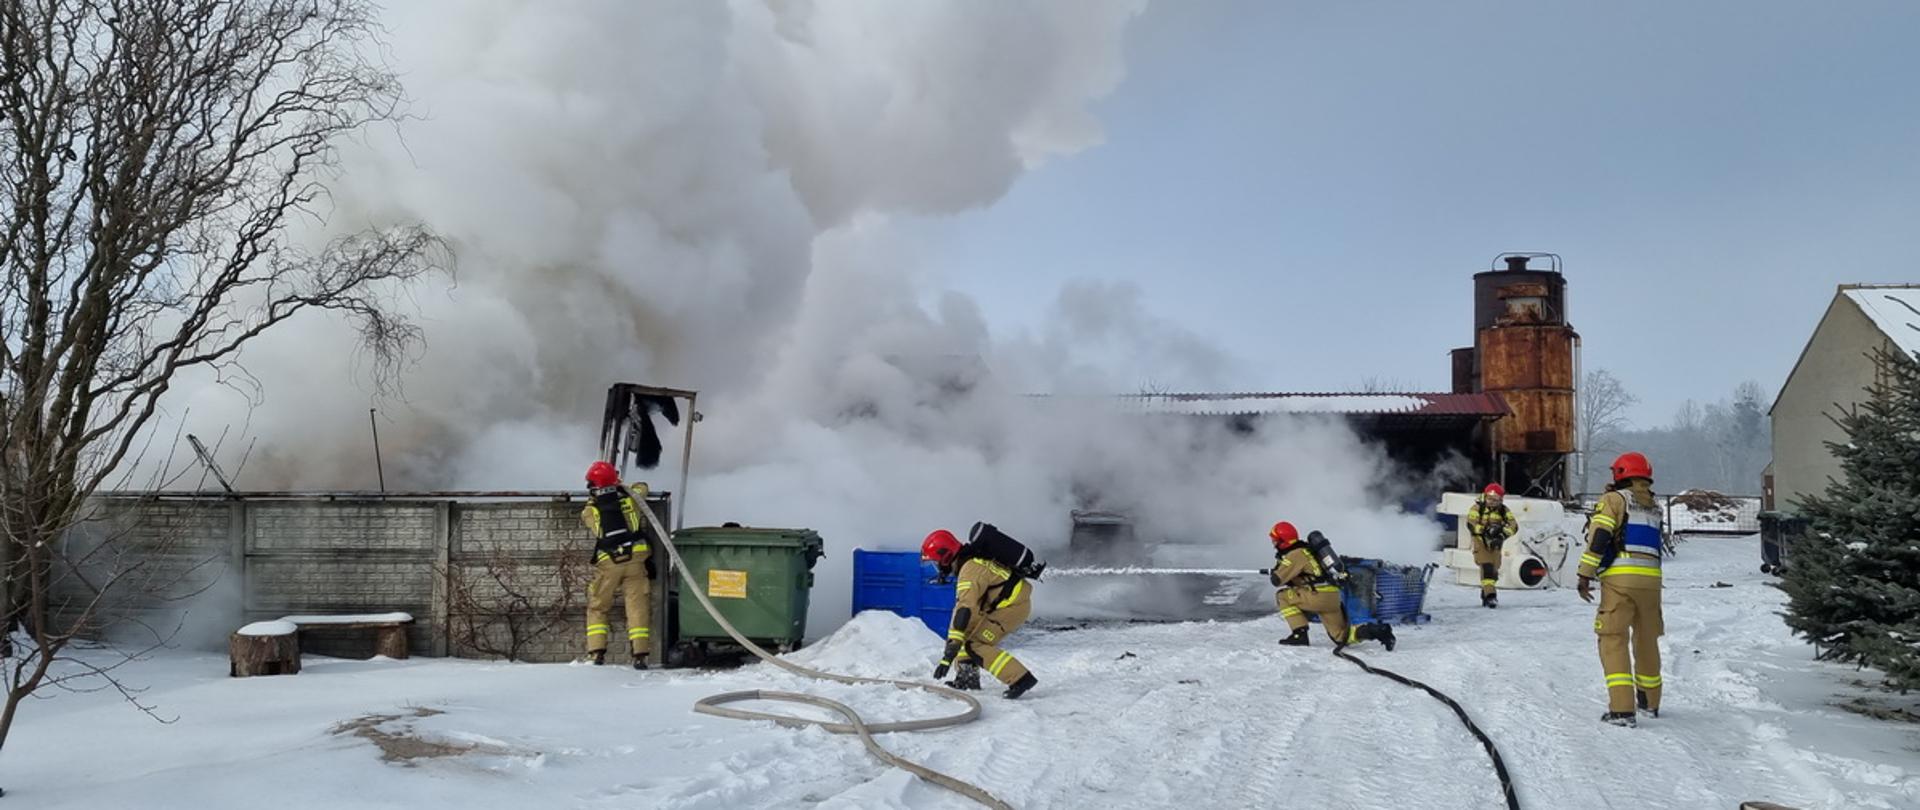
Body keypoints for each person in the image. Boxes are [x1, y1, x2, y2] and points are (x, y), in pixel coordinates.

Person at [1577, 452, 1665, 727]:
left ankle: (1622, 710)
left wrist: (1585, 573)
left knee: (1612, 639)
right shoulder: (1654, 506)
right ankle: (1650, 702)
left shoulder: (1614, 500)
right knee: (1647, 640)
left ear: (1620, 473)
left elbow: (1600, 537)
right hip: (1651, 583)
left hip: (1620, 581)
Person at [921, 528, 1040, 699]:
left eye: (936, 562)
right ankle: (967, 678)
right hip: (1006, 604)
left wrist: (949, 653)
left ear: (946, 557)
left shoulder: (969, 571)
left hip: (1012, 607)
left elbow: (965, 609)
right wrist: (954, 641)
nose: (937, 567)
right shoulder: (971, 563)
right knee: (966, 633)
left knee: (976, 644)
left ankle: (1020, 678)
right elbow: (964, 613)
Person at [1269, 521, 1395, 650]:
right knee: (1341, 636)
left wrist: (1277, 569)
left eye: (1275, 541)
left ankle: (1299, 634)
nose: (1274, 544)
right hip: (1332, 597)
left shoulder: (1295, 554)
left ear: (1283, 541)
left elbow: (1277, 580)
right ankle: (1377, 631)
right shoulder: (1308, 551)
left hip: (1316, 596)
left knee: (1282, 596)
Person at [581, 460, 657, 669]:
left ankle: (597, 653)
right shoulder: (632, 499)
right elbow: (643, 487)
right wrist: (621, 486)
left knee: (598, 606)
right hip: (635, 561)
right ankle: (640, 655)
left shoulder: (590, 511)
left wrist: (595, 496)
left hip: (609, 563)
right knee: (637, 606)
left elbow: (590, 518)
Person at [1466, 483, 1519, 608]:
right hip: (1480, 541)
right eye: (1490, 499)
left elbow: (1514, 526)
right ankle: (1491, 596)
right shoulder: (1477, 508)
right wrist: (1486, 531)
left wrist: (1501, 535)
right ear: (1485, 496)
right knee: (1487, 567)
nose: (1492, 502)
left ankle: (1485, 592)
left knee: (1494, 570)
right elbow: (1471, 524)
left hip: (1496, 543)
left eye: (1496, 500)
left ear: (1501, 500)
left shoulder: (1504, 510)